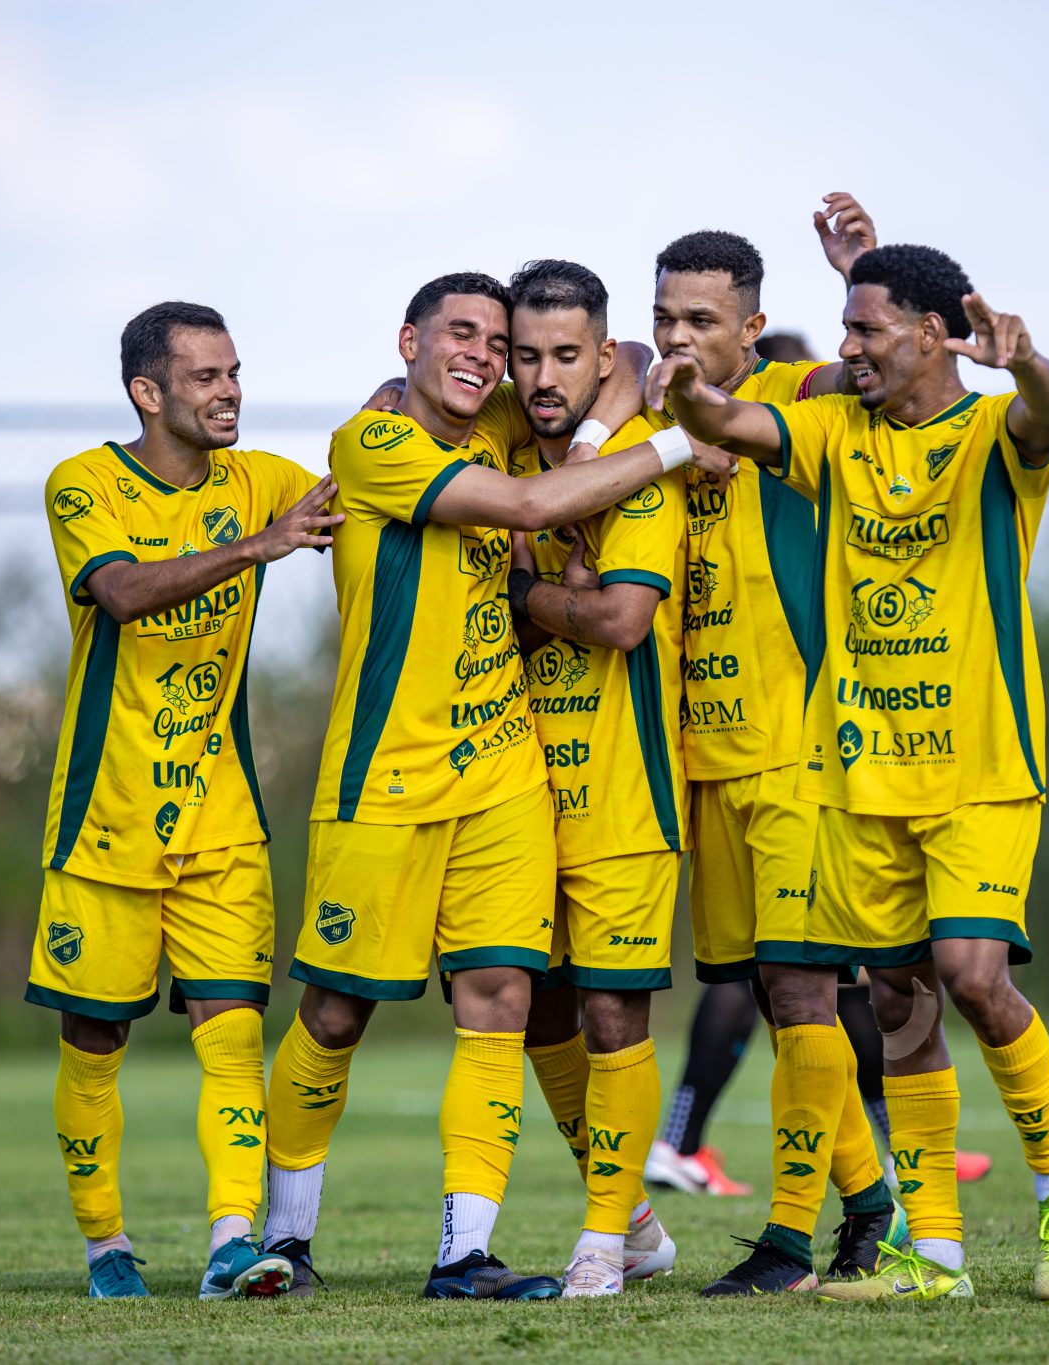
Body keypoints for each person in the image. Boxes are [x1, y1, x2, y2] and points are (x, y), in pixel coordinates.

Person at [257, 272, 730, 1303]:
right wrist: (676, 445)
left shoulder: (506, 422)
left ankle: (463, 1255)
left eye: (497, 342)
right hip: (380, 779)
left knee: (502, 1005)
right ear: (408, 343)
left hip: (505, 778)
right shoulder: (373, 444)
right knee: (334, 1013)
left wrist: (622, 422)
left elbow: (632, 364)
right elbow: (526, 502)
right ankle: (278, 1241)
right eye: (462, 337)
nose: (487, 358)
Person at [652, 241, 1049, 1304]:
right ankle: (932, 1251)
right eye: (843, 328)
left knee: (974, 977)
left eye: (863, 330)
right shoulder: (832, 431)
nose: (845, 349)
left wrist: (1023, 362)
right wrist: (683, 390)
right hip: (860, 774)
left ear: (936, 337)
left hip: (979, 766)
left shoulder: (993, 432)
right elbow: (731, 423)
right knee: (899, 1003)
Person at [27, 301, 342, 1300]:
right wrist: (259, 548)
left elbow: (368, 472)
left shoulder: (258, 481)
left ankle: (232, 1245)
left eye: (234, 372)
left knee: (232, 1029)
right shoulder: (83, 483)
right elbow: (119, 594)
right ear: (147, 393)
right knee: (95, 1039)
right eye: (205, 377)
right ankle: (105, 1246)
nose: (229, 392)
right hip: (104, 821)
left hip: (221, 822)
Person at [502, 259, 690, 1296]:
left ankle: (598, 1240)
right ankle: (639, 1221)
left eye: (566, 354)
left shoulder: (638, 466)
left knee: (616, 1016)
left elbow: (620, 620)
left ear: (600, 354)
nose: (541, 373)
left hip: (623, 792)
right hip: (517, 796)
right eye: (525, 354)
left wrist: (530, 594)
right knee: (533, 1011)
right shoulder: (490, 448)